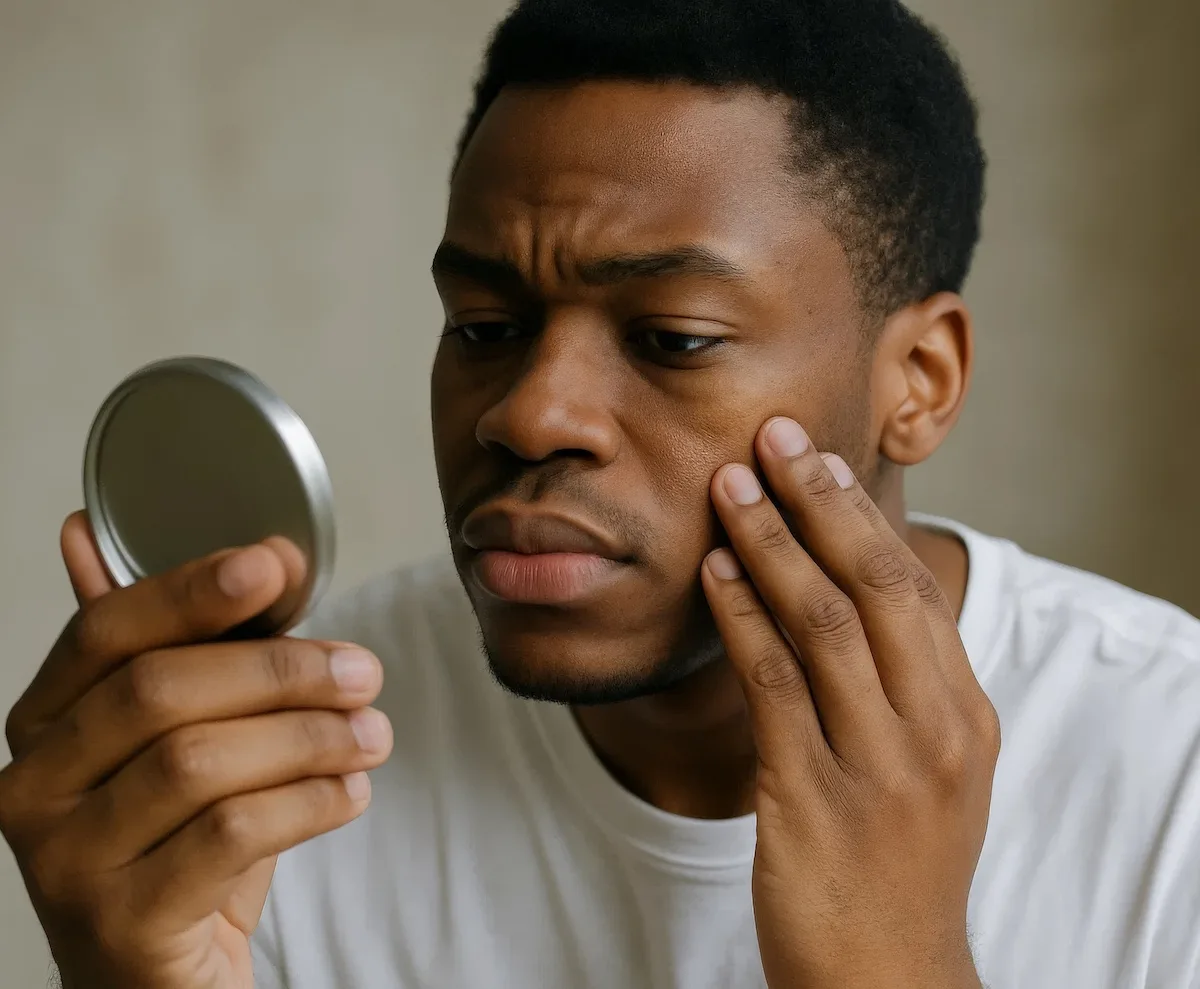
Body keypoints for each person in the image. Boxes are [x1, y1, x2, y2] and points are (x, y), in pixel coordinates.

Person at [3, 0, 1198, 986]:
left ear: (919, 382)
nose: (527, 413)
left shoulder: (1170, 775)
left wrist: (893, 965)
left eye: (672, 337)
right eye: (484, 324)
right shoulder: (272, 783)